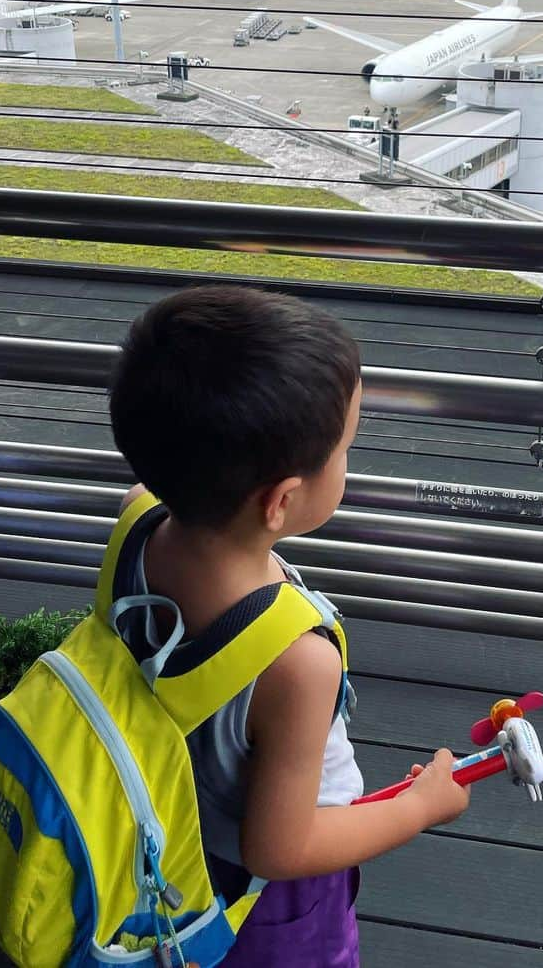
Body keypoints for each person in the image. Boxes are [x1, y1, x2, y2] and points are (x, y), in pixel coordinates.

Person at [108, 286, 468, 966]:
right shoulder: (296, 661)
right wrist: (418, 808)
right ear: (280, 502)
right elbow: (280, 848)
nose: (348, 465)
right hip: (260, 904)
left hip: (154, 836)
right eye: (345, 451)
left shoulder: (136, 518)